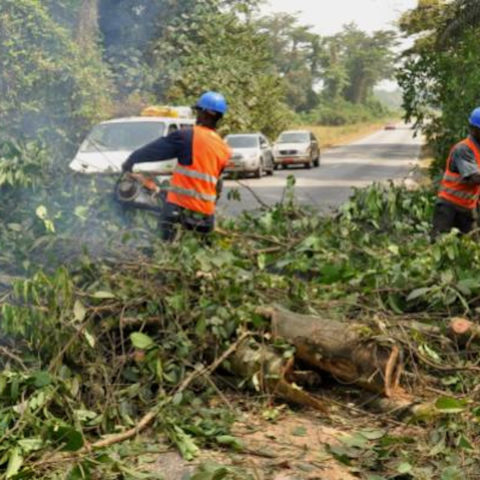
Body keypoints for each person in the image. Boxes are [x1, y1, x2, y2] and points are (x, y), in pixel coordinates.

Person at [121, 91, 232, 241]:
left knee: (164, 248)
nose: (197, 115)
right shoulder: (224, 148)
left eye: (198, 111)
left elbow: (154, 151)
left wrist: (130, 161)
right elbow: (214, 183)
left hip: (179, 209)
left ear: (205, 113)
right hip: (205, 214)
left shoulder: (187, 135)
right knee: (199, 256)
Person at [432, 107, 480, 237]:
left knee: (470, 249)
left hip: (468, 208)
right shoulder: (464, 149)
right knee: (440, 245)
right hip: (449, 207)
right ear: (474, 129)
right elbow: (474, 178)